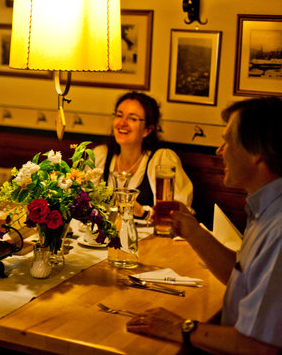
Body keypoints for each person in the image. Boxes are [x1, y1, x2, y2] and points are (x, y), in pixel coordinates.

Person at [126, 97, 282, 354]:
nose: (219, 151)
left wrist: (179, 327)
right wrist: (192, 230)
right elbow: (242, 276)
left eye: (227, 141)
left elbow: (259, 346)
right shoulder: (265, 207)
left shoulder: (277, 229)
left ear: (257, 154)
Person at [93, 92, 193, 218]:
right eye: (119, 115)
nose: (122, 123)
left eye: (132, 118)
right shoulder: (101, 155)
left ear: (147, 130)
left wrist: (142, 212)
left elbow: (179, 214)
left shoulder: (161, 159)